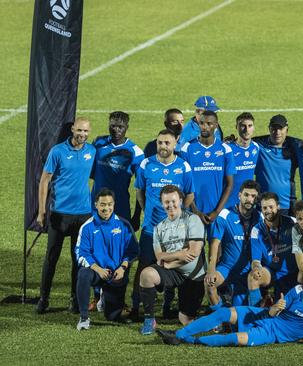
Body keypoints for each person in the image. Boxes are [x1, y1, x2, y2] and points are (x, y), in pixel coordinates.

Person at [156, 270, 303, 347]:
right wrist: (276, 308)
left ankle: (191, 340)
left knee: (235, 339)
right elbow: (273, 312)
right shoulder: (299, 290)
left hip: (274, 333)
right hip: (264, 315)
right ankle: (178, 335)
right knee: (223, 313)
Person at [131, 129, 195, 320]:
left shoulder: (183, 167)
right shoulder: (146, 164)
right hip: (151, 229)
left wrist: (177, 215)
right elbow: (139, 191)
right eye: (160, 143)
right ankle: (136, 305)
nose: (163, 147)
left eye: (167, 143)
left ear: (175, 143)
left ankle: (168, 306)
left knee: (174, 266)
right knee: (144, 265)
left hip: (174, 231)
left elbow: (190, 194)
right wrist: (147, 211)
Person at [35, 117, 96, 314]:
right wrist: (42, 211)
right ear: (72, 130)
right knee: (51, 258)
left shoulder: (91, 151)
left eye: (86, 131)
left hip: (83, 215)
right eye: (79, 130)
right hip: (60, 214)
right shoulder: (58, 151)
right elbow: (44, 180)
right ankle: (44, 299)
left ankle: (74, 300)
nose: (82, 135)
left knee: (77, 259)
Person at [139, 185, 207, 335]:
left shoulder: (193, 220)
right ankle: (150, 320)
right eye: (166, 202)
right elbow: (159, 257)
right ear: (162, 204)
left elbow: (194, 252)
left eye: (174, 201)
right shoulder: (159, 227)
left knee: (185, 319)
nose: (170, 205)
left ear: (181, 201)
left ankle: (215, 321)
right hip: (173, 272)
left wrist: (170, 263)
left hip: (192, 276)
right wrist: (180, 254)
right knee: (146, 275)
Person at [74, 189, 139, 330]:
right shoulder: (87, 227)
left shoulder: (124, 225)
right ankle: (84, 318)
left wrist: (122, 268)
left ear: (114, 204)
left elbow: (134, 250)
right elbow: (80, 253)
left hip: (116, 274)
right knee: (83, 274)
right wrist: (97, 268)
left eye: (110, 204)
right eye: (102, 205)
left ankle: (105, 299)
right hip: (97, 272)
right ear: (96, 205)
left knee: (112, 317)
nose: (106, 208)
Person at [205, 180, 262, 307]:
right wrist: (211, 269)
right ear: (239, 195)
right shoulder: (225, 215)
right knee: (209, 283)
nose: (249, 199)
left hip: (248, 271)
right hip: (227, 268)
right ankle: (219, 320)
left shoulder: (259, 218)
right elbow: (214, 244)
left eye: (253, 196)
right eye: (246, 195)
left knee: (240, 315)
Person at [180, 110, 235, 235]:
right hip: (192, 211)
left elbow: (230, 184)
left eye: (209, 124)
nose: (204, 127)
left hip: (216, 212)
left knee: (216, 251)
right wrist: (195, 211)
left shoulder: (225, 149)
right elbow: (183, 184)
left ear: (216, 125)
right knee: (194, 252)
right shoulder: (187, 148)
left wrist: (217, 211)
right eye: (202, 123)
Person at [92, 111, 144, 223]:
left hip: (120, 208)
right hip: (95, 207)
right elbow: (91, 172)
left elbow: (141, 186)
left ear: (127, 127)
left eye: (120, 127)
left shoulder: (136, 153)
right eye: (113, 126)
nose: (116, 130)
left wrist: (137, 215)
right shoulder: (98, 143)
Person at [248, 192, 298, 307]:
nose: (268, 210)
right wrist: (256, 269)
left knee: (285, 311)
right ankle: (256, 317)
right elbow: (256, 260)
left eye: (271, 207)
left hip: (294, 273)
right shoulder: (257, 229)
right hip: (272, 273)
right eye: (264, 208)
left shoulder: (292, 223)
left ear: (278, 207)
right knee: (253, 277)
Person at [253, 114, 302, 214]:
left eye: (281, 129)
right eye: (274, 129)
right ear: (269, 129)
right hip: (263, 205)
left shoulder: (295, 148)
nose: (277, 132)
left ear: (287, 130)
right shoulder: (259, 146)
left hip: (286, 206)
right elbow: (243, 142)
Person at [225, 112, 260, 208]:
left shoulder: (256, 148)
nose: (247, 129)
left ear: (254, 128)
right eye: (243, 126)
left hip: (248, 203)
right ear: (236, 127)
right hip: (228, 203)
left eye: (250, 126)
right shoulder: (227, 149)